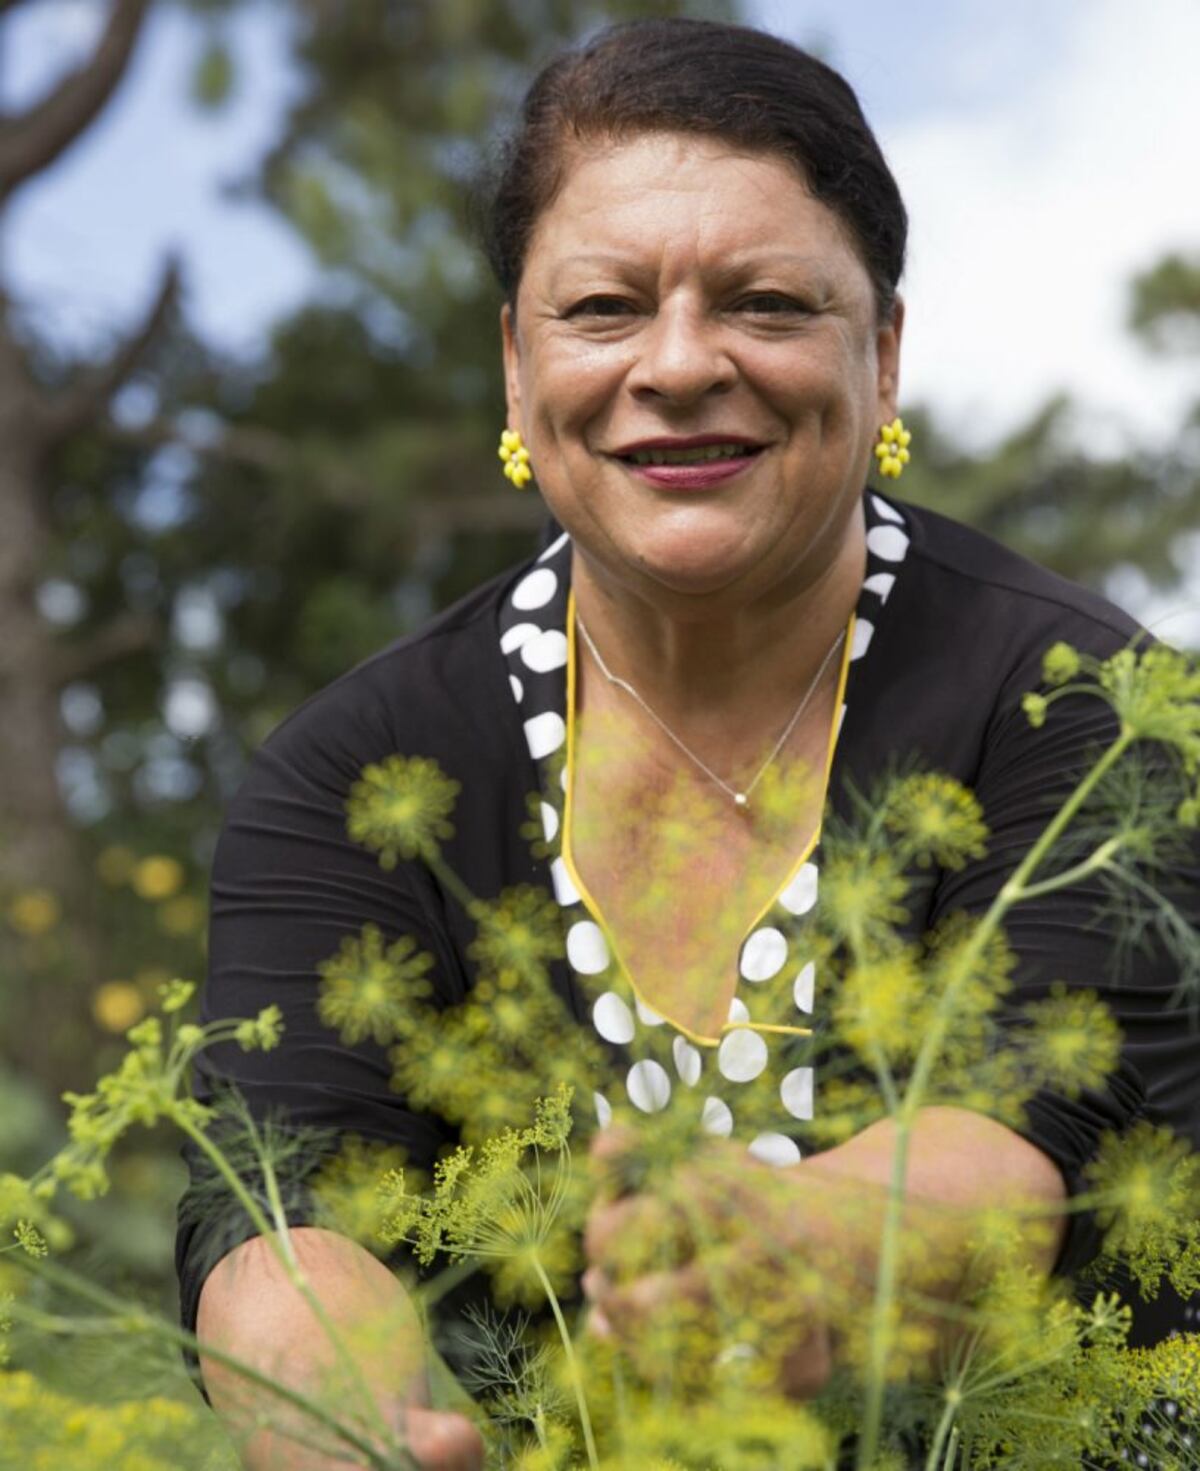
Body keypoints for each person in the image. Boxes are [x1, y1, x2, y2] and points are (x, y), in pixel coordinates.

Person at [178, 18, 1198, 1470]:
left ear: (885, 355)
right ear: (516, 372)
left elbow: (1049, 1130)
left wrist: (791, 1253)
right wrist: (339, 1416)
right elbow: (282, 1196)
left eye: (767, 302)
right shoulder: (352, 775)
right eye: (602, 308)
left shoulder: (1086, 706)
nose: (679, 364)